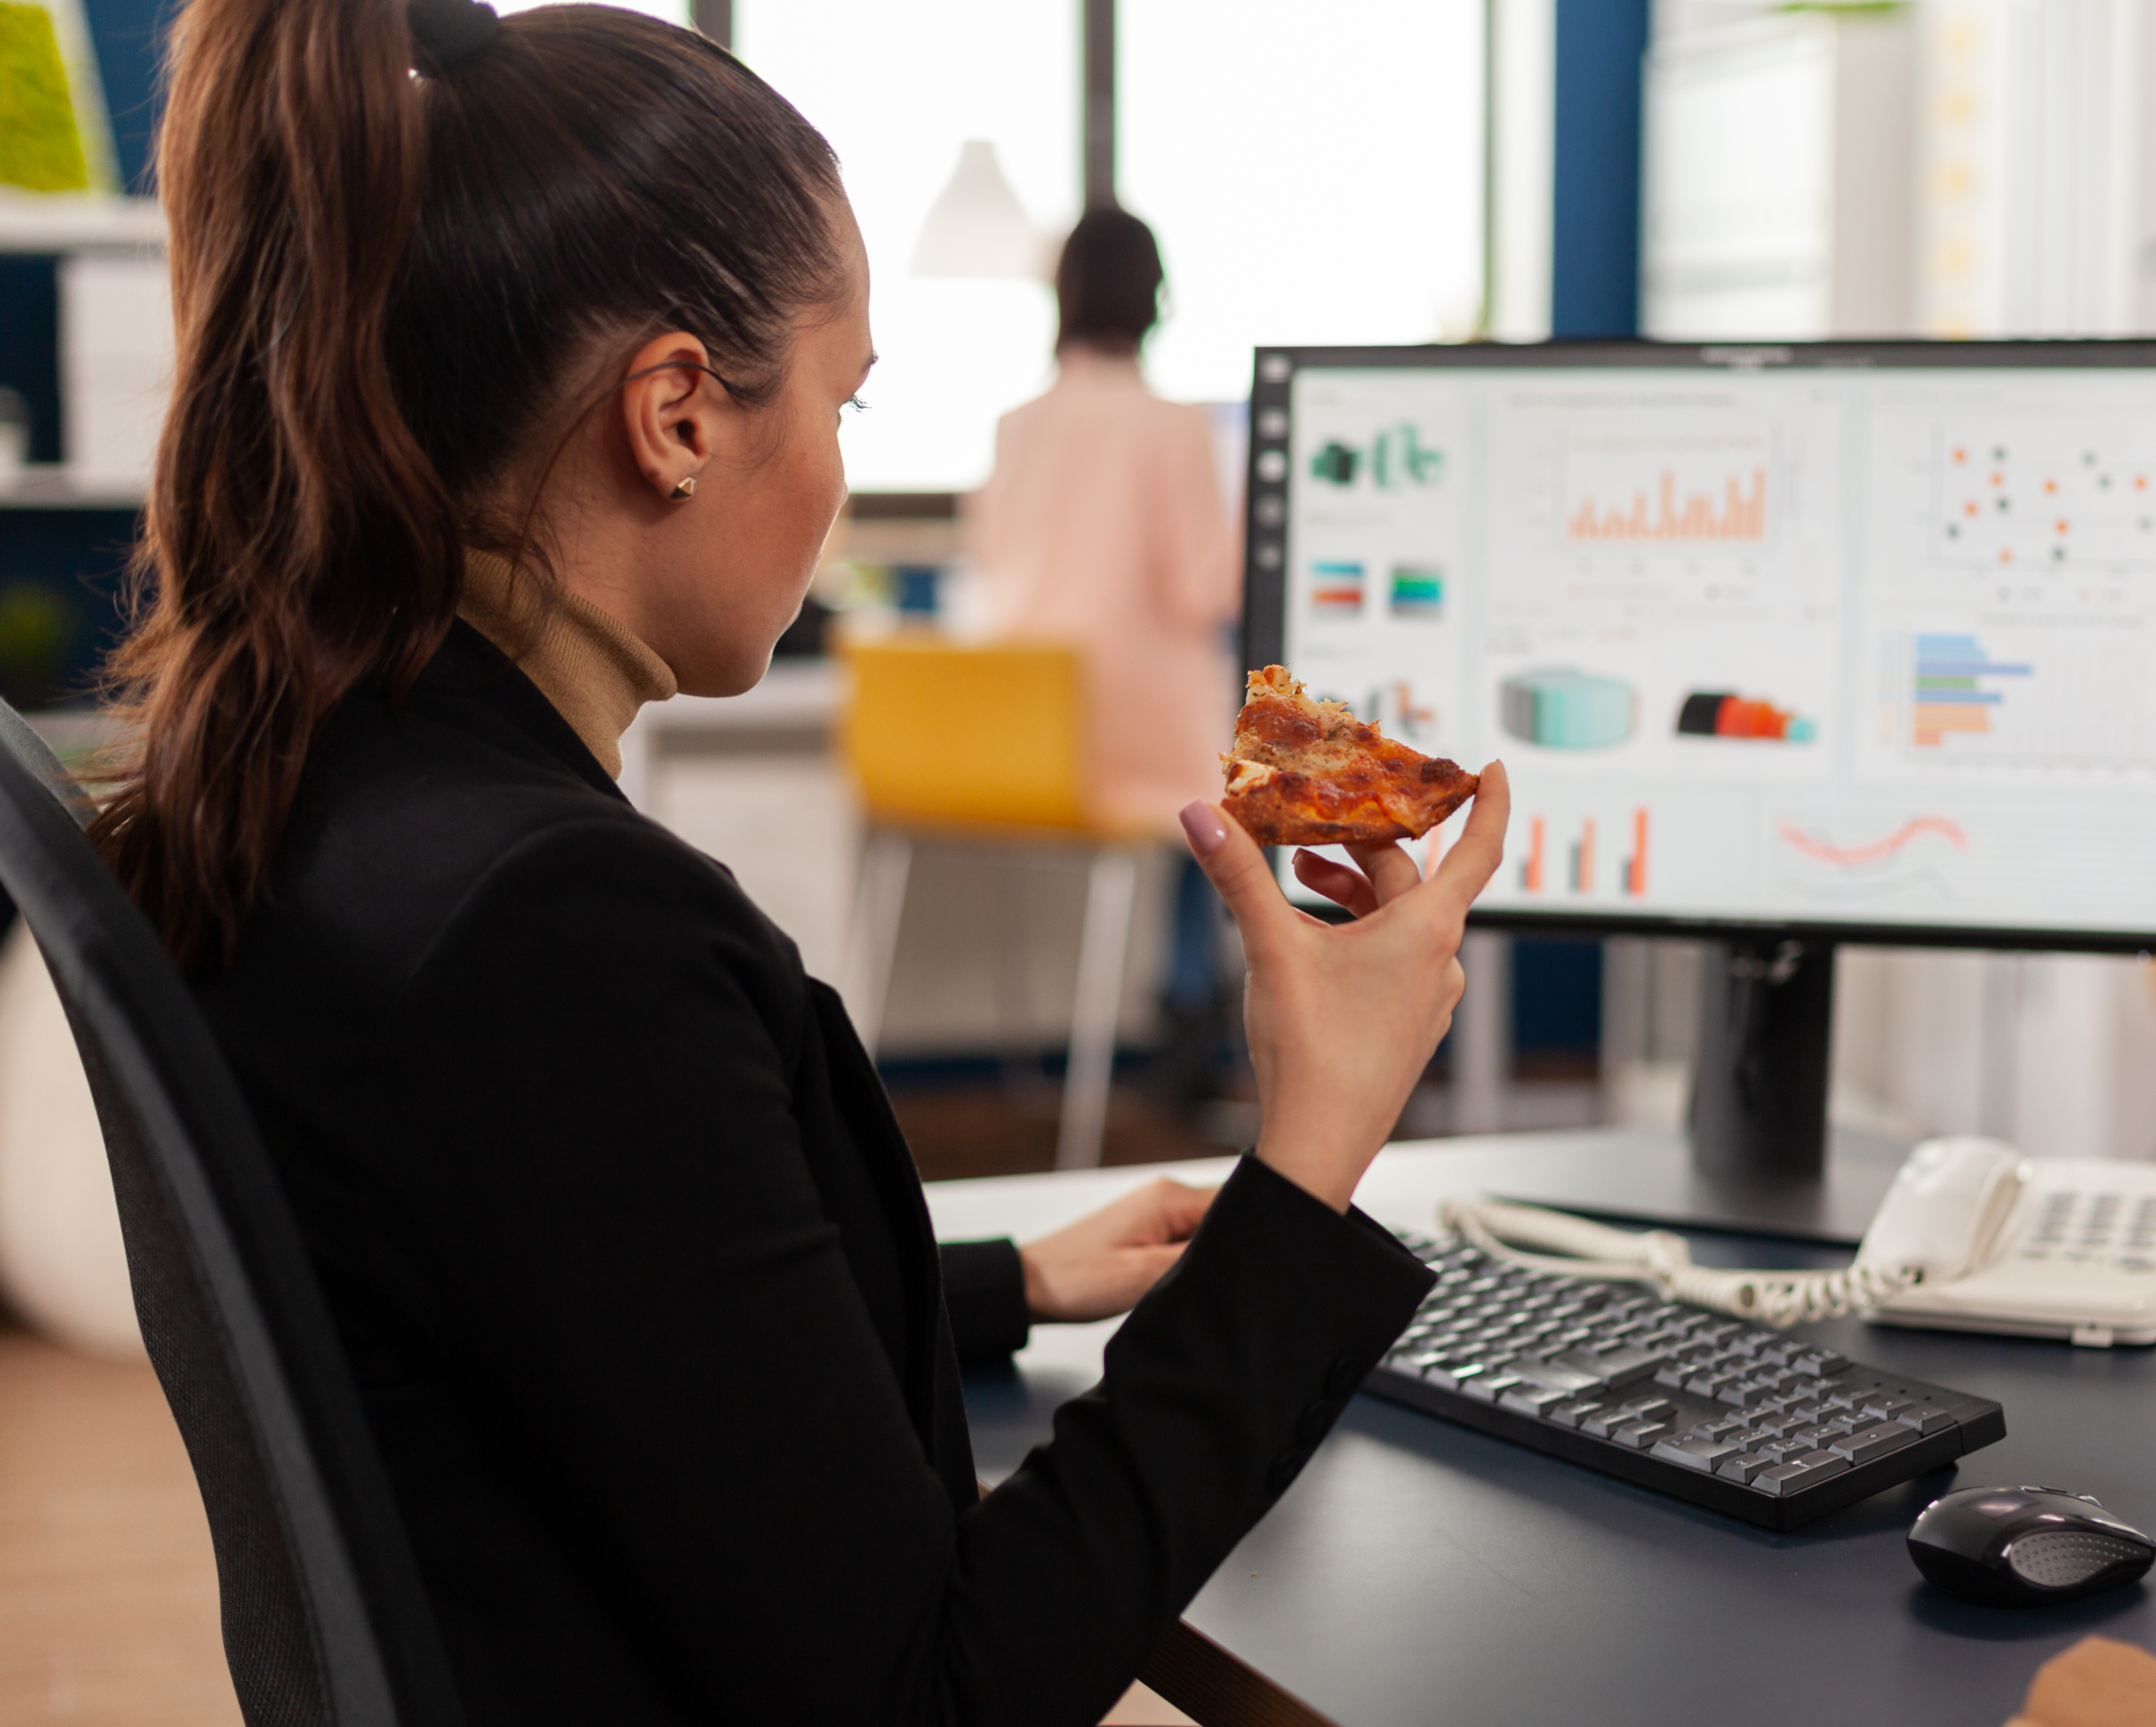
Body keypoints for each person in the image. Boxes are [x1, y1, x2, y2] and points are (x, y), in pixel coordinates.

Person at [90, 2, 1507, 1724]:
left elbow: (586, 1303)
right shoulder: (557, 938)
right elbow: (938, 1694)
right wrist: (1310, 1157)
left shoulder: (319, 786)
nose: (839, 466)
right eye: (846, 398)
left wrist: (997, 1284)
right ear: (678, 413)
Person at [964, 207, 1236, 831]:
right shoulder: (1172, 425)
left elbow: (993, 562)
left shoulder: (1015, 427)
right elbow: (1201, 593)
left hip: (1033, 738)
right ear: (1155, 297)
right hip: (1144, 747)